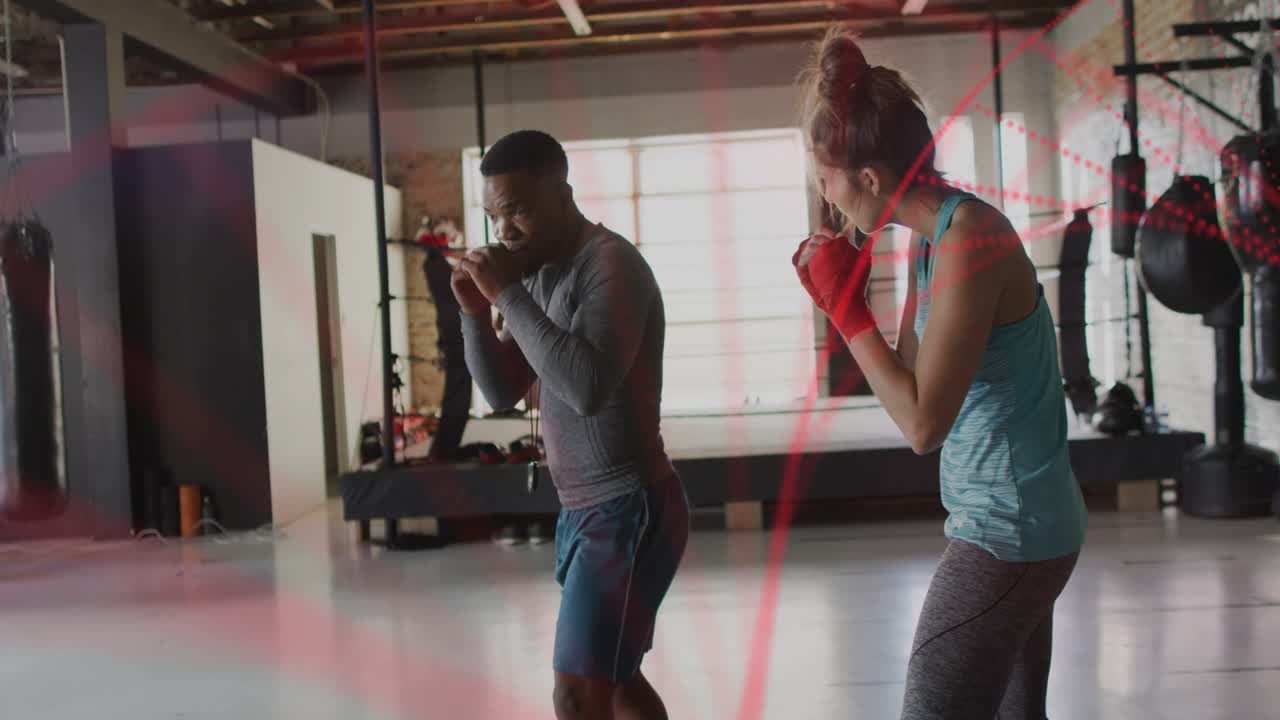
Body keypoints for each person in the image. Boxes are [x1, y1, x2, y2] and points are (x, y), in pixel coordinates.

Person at [792, 28, 1088, 719]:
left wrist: (845, 313)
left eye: (828, 185)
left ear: (870, 179)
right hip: (1014, 525)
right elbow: (907, 390)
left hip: (1008, 534)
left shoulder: (970, 238)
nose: (828, 203)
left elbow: (924, 426)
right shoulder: (933, 243)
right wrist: (853, 301)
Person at [451, 129, 689, 720]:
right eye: (494, 217)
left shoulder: (612, 266)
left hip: (626, 507)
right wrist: (474, 316)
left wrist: (507, 293)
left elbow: (586, 387)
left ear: (564, 195)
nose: (504, 231)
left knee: (577, 696)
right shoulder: (538, 271)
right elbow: (502, 390)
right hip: (583, 508)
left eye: (518, 211)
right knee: (616, 677)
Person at [419, 218, 472, 463]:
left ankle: (445, 449)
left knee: (460, 393)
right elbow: (451, 303)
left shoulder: (437, 265)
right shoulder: (436, 265)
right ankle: (443, 450)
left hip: (457, 336)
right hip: (456, 338)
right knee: (458, 394)